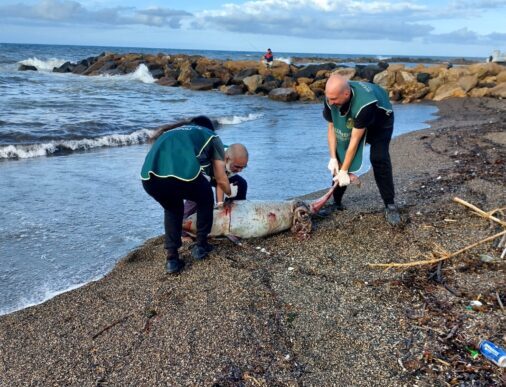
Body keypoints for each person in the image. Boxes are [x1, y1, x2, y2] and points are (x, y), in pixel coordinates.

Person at [140, 115, 233, 274]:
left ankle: (172, 259)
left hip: (149, 179)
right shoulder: (210, 135)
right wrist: (229, 194)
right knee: (205, 198)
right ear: (210, 128)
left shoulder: (171, 133)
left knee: (172, 208)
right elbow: (220, 177)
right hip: (178, 177)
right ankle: (201, 246)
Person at [323, 74, 401, 226]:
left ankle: (390, 205)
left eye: (334, 100)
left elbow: (355, 140)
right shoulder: (331, 98)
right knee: (340, 158)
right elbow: (332, 127)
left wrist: (345, 171)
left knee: (379, 158)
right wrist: (333, 158)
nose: (331, 103)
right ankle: (336, 202)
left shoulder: (365, 104)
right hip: (355, 118)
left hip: (380, 122)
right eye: (329, 98)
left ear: (346, 94)